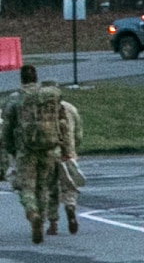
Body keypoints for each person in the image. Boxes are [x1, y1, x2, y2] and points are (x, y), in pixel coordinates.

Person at [1, 64, 63, 244]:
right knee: (42, 186)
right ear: (36, 78)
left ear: (21, 79)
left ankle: (32, 212)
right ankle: (41, 221)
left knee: (25, 187)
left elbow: (7, 127)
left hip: (26, 150)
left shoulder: (16, 98)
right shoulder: (49, 95)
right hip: (48, 148)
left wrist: (9, 148)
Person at [46, 92, 83, 235]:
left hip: (49, 154)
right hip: (68, 154)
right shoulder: (70, 108)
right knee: (69, 184)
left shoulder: (41, 110)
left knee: (51, 188)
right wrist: (73, 148)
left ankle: (53, 222)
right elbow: (78, 134)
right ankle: (70, 205)